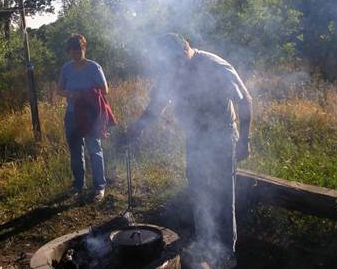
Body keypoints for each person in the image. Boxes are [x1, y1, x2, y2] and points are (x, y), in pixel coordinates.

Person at [122, 33, 252, 268]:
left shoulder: (215, 67)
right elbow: (157, 105)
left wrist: (244, 140)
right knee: (199, 193)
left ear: (185, 51)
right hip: (196, 140)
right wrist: (138, 128)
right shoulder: (170, 71)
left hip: (222, 137)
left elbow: (245, 101)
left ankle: (226, 256)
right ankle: (205, 246)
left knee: (223, 197)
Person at [57, 34, 115, 202]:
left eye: (79, 49)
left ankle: (99, 187)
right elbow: (59, 90)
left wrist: (85, 94)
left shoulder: (94, 67)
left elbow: (105, 89)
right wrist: (68, 93)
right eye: (73, 50)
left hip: (91, 115)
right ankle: (78, 186)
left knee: (94, 150)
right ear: (69, 51)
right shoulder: (66, 68)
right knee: (75, 152)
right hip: (72, 115)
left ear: (84, 48)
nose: (76, 53)